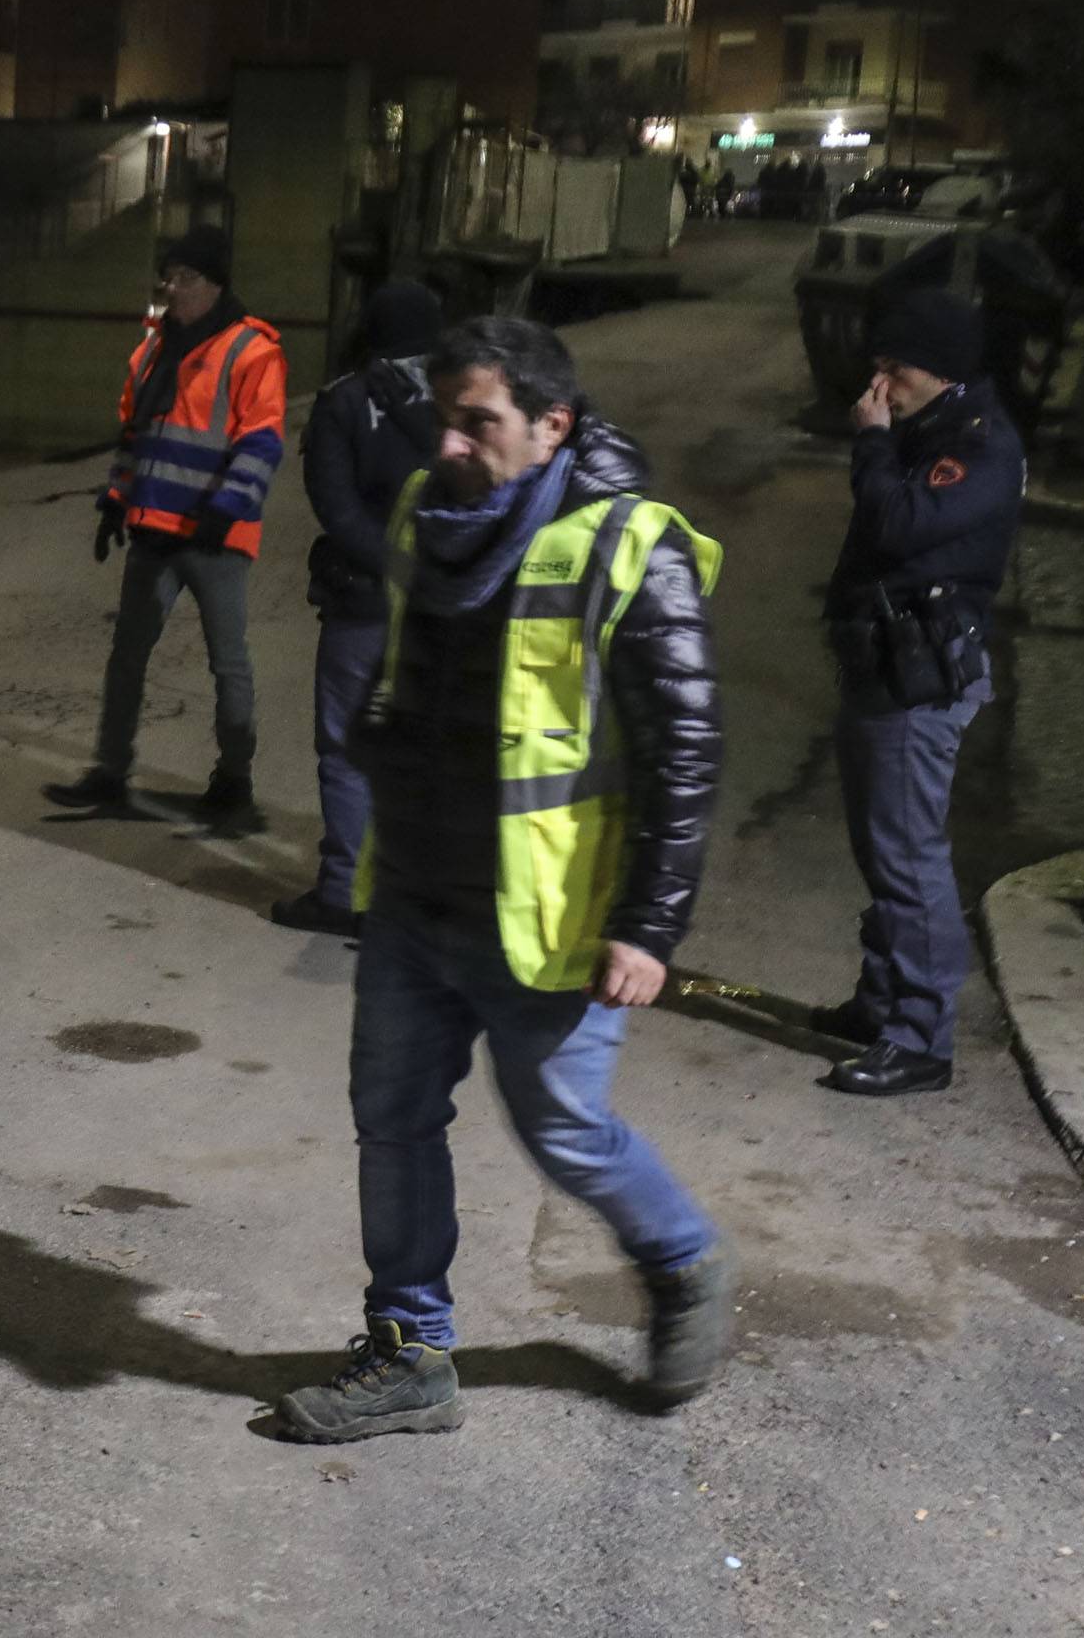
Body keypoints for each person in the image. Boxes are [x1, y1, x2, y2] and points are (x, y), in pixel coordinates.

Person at [274, 316, 732, 1444]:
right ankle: (409, 1346)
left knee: (565, 1130)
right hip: (414, 897)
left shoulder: (631, 543)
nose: (454, 442)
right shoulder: (427, 515)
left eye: (480, 422)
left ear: (552, 425)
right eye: (446, 418)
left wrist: (650, 923)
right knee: (390, 1121)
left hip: (545, 918)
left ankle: (681, 1262)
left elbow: (686, 747)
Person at [814, 290, 1023, 1097]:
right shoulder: (932, 429)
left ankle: (921, 1039)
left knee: (908, 856)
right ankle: (883, 1003)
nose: (879, 381)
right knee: (881, 849)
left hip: (920, 676)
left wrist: (870, 444)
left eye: (894, 367)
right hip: (886, 666)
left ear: (938, 369)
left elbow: (899, 525)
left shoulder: (977, 445)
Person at [45, 225, 287, 826]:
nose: (172, 288)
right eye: (169, 276)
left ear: (214, 285)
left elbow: (261, 443)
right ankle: (110, 772)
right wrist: (114, 500)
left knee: (227, 662)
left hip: (213, 538)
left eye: (186, 278)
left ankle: (234, 782)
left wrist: (224, 510)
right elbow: (138, 437)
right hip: (154, 529)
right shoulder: (153, 350)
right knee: (127, 655)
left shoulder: (251, 350)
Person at [271, 280, 443, 937]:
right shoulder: (474, 399)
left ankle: (346, 892)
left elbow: (335, 506)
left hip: (365, 602)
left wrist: (391, 563)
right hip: (446, 608)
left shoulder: (346, 401)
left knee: (348, 748)